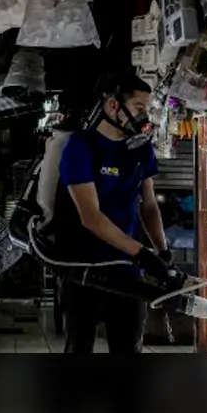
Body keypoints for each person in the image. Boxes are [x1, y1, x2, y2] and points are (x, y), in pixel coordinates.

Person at [56, 72, 171, 353]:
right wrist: (142, 253)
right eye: (139, 108)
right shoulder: (81, 146)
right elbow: (91, 217)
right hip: (84, 268)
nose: (145, 118)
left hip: (127, 268)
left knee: (128, 347)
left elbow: (149, 205)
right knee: (79, 348)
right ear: (113, 106)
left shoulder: (141, 150)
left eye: (147, 110)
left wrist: (162, 251)